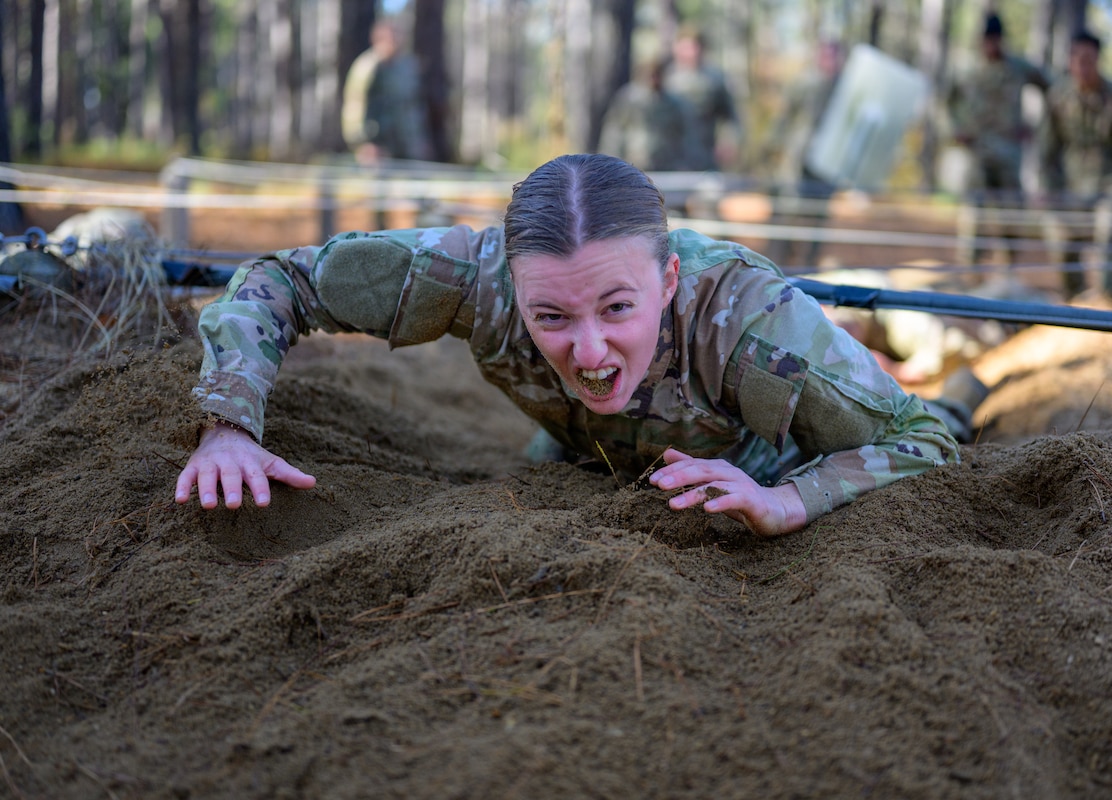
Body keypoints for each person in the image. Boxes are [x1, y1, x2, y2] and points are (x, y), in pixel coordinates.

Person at [175, 154, 970, 538]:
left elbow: (919, 439)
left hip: (756, 463)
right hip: (579, 454)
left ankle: (976, 386)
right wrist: (229, 425)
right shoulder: (472, 277)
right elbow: (282, 278)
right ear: (510, 283)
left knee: (949, 413)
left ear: (665, 279)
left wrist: (787, 500)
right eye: (549, 316)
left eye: (617, 307)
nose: (589, 351)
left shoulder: (753, 322)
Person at [1040, 29, 1112, 301]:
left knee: (1110, 228)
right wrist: (1046, 188)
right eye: (1076, 58)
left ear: (1098, 60)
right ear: (1069, 61)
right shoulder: (1058, 98)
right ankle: (1075, 297)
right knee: (1059, 235)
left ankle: (1110, 301)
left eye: (1088, 58)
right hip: (1073, 188)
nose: (1082, 65)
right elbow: (1045, 148)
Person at [945, 13, 1050, 267]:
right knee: (974, 210)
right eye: (986, 40)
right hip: (977, 150)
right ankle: (971, 267)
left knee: (1011, 211)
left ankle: (1009, 267)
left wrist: (1036, 127)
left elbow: (1053, 89)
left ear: (1002, 39)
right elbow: (947, 102)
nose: (991, 45)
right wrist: (956, 128)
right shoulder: (968, 69)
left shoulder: (1018, 68)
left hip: (1008, 151)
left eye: (995, 39)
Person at [765, 39, 845, 267]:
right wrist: (773, 146)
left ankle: (810, 266)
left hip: (827, 164)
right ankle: (778, 263)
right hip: (796, 163)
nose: (827, 61)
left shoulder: (844, 89)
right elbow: (785, 118)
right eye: (824, 55)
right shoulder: (804, 83)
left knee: (817, 217)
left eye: (832, 56)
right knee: (786, 212)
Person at [341, 17, 433, 165]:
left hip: (408, 146)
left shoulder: (408, 67)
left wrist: (421, 140)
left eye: (399, 35)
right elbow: (354, 107)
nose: (396, 39)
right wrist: (361, 143)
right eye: (391, 35)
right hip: (377, 147)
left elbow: (415, 105)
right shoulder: (366, 67)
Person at [597, 57, 703, 172]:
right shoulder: (629, 100)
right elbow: (614, 133)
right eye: (650, 76)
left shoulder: (675, 103)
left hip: (668, 165)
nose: (653, 80)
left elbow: (689, 136)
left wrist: (688, 164)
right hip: (635, 164)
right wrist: (611, 164)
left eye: (657, 75)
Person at [662, 26, 742, 171]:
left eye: (695, 47)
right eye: (686, 47)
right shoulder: (665, 79)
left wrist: (728, 142)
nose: (691, 52)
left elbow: (731, 117)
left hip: (704, 156)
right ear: (677, 48)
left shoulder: (714, 79)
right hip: (669, 159)